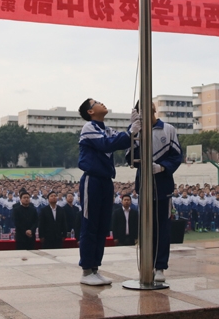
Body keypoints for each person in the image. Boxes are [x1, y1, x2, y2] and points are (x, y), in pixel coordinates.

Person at [76, 98, 140, 286]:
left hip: (105, 181)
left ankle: (95, 268)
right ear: (90, 111)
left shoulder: (107, 129)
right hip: (92, 179)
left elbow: (121, 140)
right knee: (90, 224)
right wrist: (131, 130)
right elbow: (107, 144)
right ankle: (86, 270)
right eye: (96, 102)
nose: (101, 103)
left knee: (102, 226)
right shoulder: (89, 127)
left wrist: (134, 126)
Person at [125, 103, 182, 281]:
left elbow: (177, 155)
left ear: (154, 108)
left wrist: (162, 167)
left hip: (163, 184)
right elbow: (129, 157)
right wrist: (132, 132)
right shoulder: (136, 130)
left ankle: (160, 266)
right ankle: (146, 264)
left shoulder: (168, 129)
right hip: (144, 185)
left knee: (163, 227)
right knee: (145, 227)